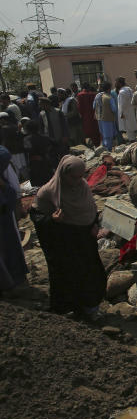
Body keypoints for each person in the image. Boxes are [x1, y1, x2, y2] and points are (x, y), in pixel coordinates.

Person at [31, 155, 106, 317]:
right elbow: (37, 216)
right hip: (64, 244)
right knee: (67, 275)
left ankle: (90, 308)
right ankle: (67, 309)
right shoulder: (47, 192)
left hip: (84, 240)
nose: (78, 180)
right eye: (74, 177)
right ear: (63, 174)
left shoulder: (83, 186)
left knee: (89, 273)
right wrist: (52, 219)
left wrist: (95, 225)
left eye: (81, 176)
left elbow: (91, 209)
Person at [0, 146, 28, 294]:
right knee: (10, 244)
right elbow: (13, 190)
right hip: (4, 215)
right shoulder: (3, 157)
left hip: (5, 211)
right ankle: (13, 280)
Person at [23, 120, 55, 188]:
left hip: (35, 164)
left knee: (38, 186)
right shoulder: (45, 137)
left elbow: (28, 149)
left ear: (28, 129)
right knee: (49, 183)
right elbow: (55, 145)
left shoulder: (27, 139)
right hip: (46, 162)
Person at [0, 114, 26, 179]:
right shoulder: (15, 126)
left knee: (15, 170)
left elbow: (4, 141)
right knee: (23, 168)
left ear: (3, 119)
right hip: (20, 151)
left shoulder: (4, 128)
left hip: (12, 152)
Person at [94, 81, 118, 150]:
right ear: (109, 89)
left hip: (99, 118)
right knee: (109, 136)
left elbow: (93, 106)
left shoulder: (98, 96)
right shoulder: (109, 98)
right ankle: (108, 150)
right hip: (108, 119)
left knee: (103, 135)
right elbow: (114, 109)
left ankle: (104, 148)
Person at [115, 77, 136, 142]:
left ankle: (131, 140)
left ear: (120, 83)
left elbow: (122, 104)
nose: (115, 84)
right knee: (131, 126)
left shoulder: (122, 92)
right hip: (131, 110)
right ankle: (133, 139)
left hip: (125, 112)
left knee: (127, 127)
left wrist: (121, 113)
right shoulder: (129, 89)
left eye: (117, 82)